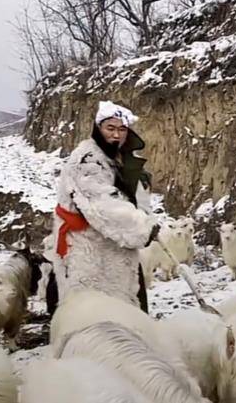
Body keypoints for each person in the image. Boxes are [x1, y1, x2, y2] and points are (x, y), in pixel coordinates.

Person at [50, 100, 159, 313]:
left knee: (122, 303)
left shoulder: (119, 158)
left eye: (122, 129)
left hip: (114, 244)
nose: (116, 135)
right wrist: (143, 227)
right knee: (93, 308)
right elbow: (102, 203)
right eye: (110, 128)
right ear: (98, 128)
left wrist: (145, 216)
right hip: (88, 249)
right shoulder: (87, 160)